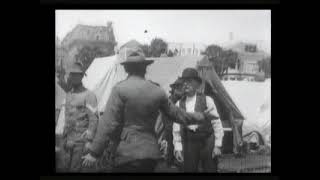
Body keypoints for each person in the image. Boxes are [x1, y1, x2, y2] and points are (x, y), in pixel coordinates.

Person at [81, 51, 212, 172]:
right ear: (145, 68)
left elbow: (108, 124)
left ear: (126, 69)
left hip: (126, 153)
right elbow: (177, 115)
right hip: (150, 154)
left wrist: (94, 152)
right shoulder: (157, 90)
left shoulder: (120, 89)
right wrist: (201, 116)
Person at [172, 68, 224, 172]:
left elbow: (216, 123)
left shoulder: (207, 100)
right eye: (184, 81)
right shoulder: (179, 104)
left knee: (210, 169)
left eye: (190, 81)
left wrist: (218, 145)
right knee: (189, 169)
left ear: (197, 84)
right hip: (190, 141)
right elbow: (176, 129)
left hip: (207, 141)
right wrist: (178, 147)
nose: (186, 84)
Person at [55, 62, 99, 172]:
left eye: (77, 74)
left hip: (80, 142)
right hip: (67, 142)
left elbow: (94, 119)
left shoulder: (89, 95)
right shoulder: (68, 94)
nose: (74, 77)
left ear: (82, 76)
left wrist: (89, 140)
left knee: (76, 169)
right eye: (72, 74)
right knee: (65, 168)